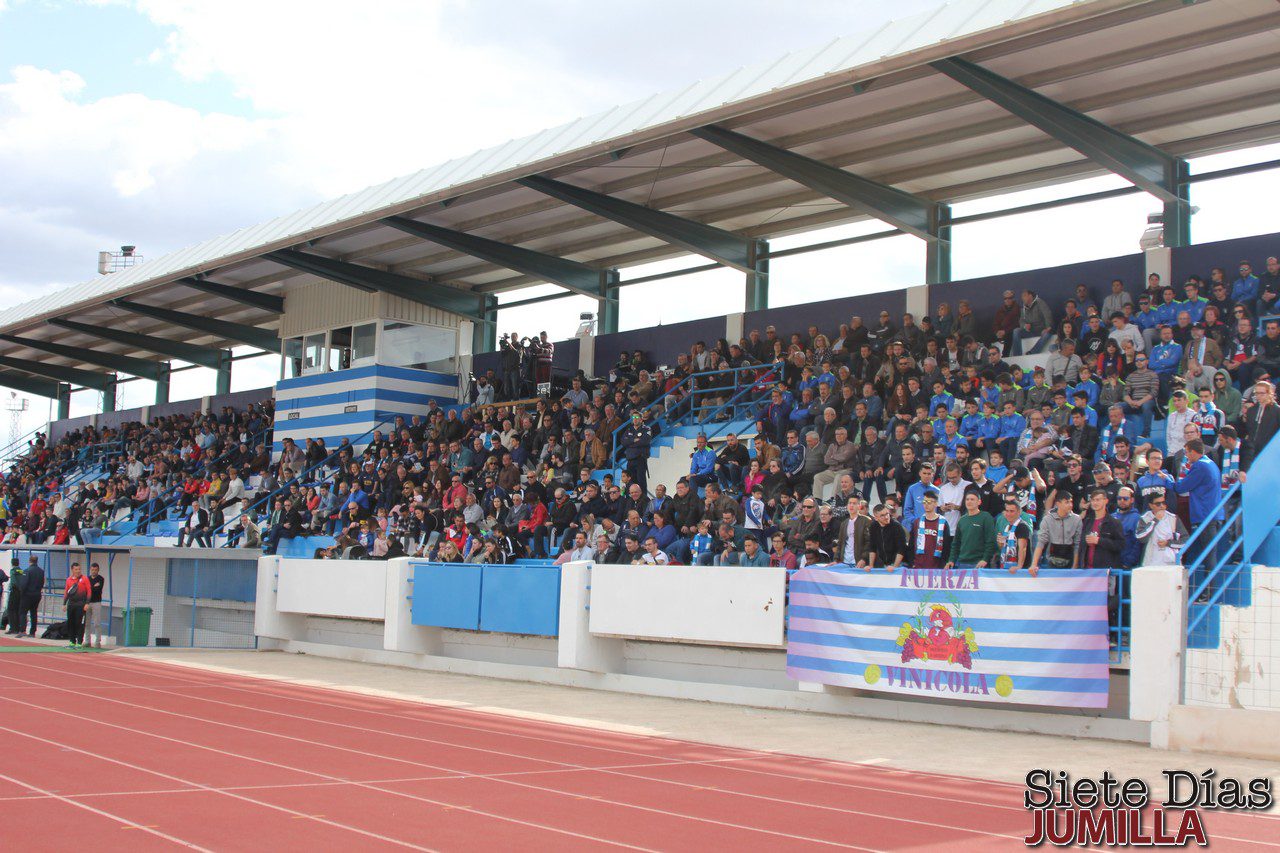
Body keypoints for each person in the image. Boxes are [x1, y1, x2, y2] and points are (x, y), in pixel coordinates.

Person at [1174, 438, 1223, 599]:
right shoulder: (1210, 463)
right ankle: (1209, 592)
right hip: (1212, 514)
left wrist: (1168, 480)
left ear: (1194, 452)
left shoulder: (1199, 466)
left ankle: (1210, 593)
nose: (1186, 456)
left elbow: (1181, 487)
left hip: (1205, 516)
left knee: (1209, 555)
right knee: (1209, 554)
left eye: (1187, 452)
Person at [1030, 492, 1082, 575]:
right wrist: (1034, 564)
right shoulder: (1047, 519)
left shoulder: (1077, 519)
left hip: (1070, 559)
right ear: (1058, 504)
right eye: (1067, 502)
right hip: (1052, 560)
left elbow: (1077, 544)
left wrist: (1075, 566)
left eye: (1071, 502)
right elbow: (1041, 542)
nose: (1070, 505)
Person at [947, 490, 996, 569]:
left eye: (972, 499)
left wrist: (985, 559)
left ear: (979, 502)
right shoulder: (962, 520)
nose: (969, 501)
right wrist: (951, 560)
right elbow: (956, 543)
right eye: (967, 499)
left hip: (979, 563)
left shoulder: (986, 517)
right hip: (962, 562)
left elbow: (991, 541)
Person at [1077, 489, 1124, 569]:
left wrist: (1099, 541)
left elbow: (1120, 545)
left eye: (1098, 500)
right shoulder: (1087, 521)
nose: (1095, 503)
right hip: (1086, 569)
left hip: (1105, 570)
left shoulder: (1114, 522)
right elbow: (1081, 545)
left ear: (1106, 501)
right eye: (1093, 500)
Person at [1136, 493, 1188, 566]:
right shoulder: (1144, 518)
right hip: (1150, 562)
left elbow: (1186, 541)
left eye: (1163, 503)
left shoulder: (1173, 518)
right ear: (1151, 505)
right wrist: (1155, 521)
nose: (1161, 506)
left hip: (1171, 562)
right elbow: (1141, 538)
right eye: (1158, 504)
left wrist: (1168, 543)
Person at [908, 493, 951, 570]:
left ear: (936, 503)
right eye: (924, 502)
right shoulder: (917, 522)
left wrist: (943, 563)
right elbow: (911, 544)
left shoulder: (943, 522)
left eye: (929, 502)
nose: (926, 505)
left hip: (937, 566)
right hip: (918, 566)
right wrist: (912, 562)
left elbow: (947, 546)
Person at [995, 497, 1033, 573]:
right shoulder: (1007, 527)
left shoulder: (1022, 526)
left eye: (1012, 511)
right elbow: (1002, 547)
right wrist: (1000, 542)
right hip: (1007, 567)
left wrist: (1019, 566)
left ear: (1019, 512)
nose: (1008, 514)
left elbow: (1023, 548)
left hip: (1020, 570)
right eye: (1007, 511)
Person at [62, 562, 91, 650]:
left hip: (81, 605)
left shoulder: (84, 579)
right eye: (76, 569)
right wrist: (64, 604)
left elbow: (89, 592)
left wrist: (87, 603)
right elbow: (66, 592)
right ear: (72, 570)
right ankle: (72, 641)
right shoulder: (68, 580)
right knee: (71, 623)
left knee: (80, 623)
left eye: (79, 569)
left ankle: (79, 642)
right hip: (71, 604)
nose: (78, 571)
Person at [84, 562, 106, 649]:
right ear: (90, 570)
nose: (94, 571)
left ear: (98, 570)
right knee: (87, 623)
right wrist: (93, 587)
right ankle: (87, 641)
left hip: (96, 602)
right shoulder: (87, 579)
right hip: (88, 603)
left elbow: (98, 589)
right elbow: (86, 590)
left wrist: (90, 588)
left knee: (97, 623)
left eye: (95, 570)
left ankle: (97, 642)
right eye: (92, 570)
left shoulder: (101, 579)